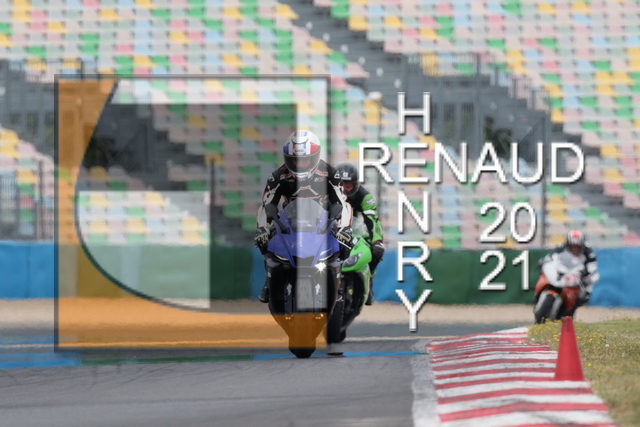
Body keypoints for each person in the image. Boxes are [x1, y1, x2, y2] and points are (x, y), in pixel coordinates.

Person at [255, 130, 352, 303]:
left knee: (345, 242)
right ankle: (269, 280)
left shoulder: (330, 173)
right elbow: (266, 205)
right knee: (266, 241)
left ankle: (337, 280)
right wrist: (263, 229)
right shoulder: (277, 176)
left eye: (305, 159)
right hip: (290, 220)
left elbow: (343, 203)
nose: (300, 164)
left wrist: (344, 228)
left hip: (323, 219)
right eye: (295, 159)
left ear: (315, 157)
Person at [335, 163, 384, 305]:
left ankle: (369, 282)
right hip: (329, 231)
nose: (344, 190)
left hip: (354, 231)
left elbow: (373, 219)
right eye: (341, 185)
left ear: (355, 185)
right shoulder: (326, 193)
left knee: (377, 250)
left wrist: (377, 242)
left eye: (348, 186)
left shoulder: (364, 196)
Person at [538, 229, 599, 313]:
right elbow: (551, 256)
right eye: (572, 246)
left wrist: (587, 276)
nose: (575, 249)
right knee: (543, 276)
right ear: (568, 244)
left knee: (584, 295)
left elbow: (592, 268)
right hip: (563, 271)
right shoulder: (561, 247)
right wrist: (545, 261)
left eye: (577, 247)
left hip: (579, 275)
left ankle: (570, 310)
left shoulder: (589, 253)